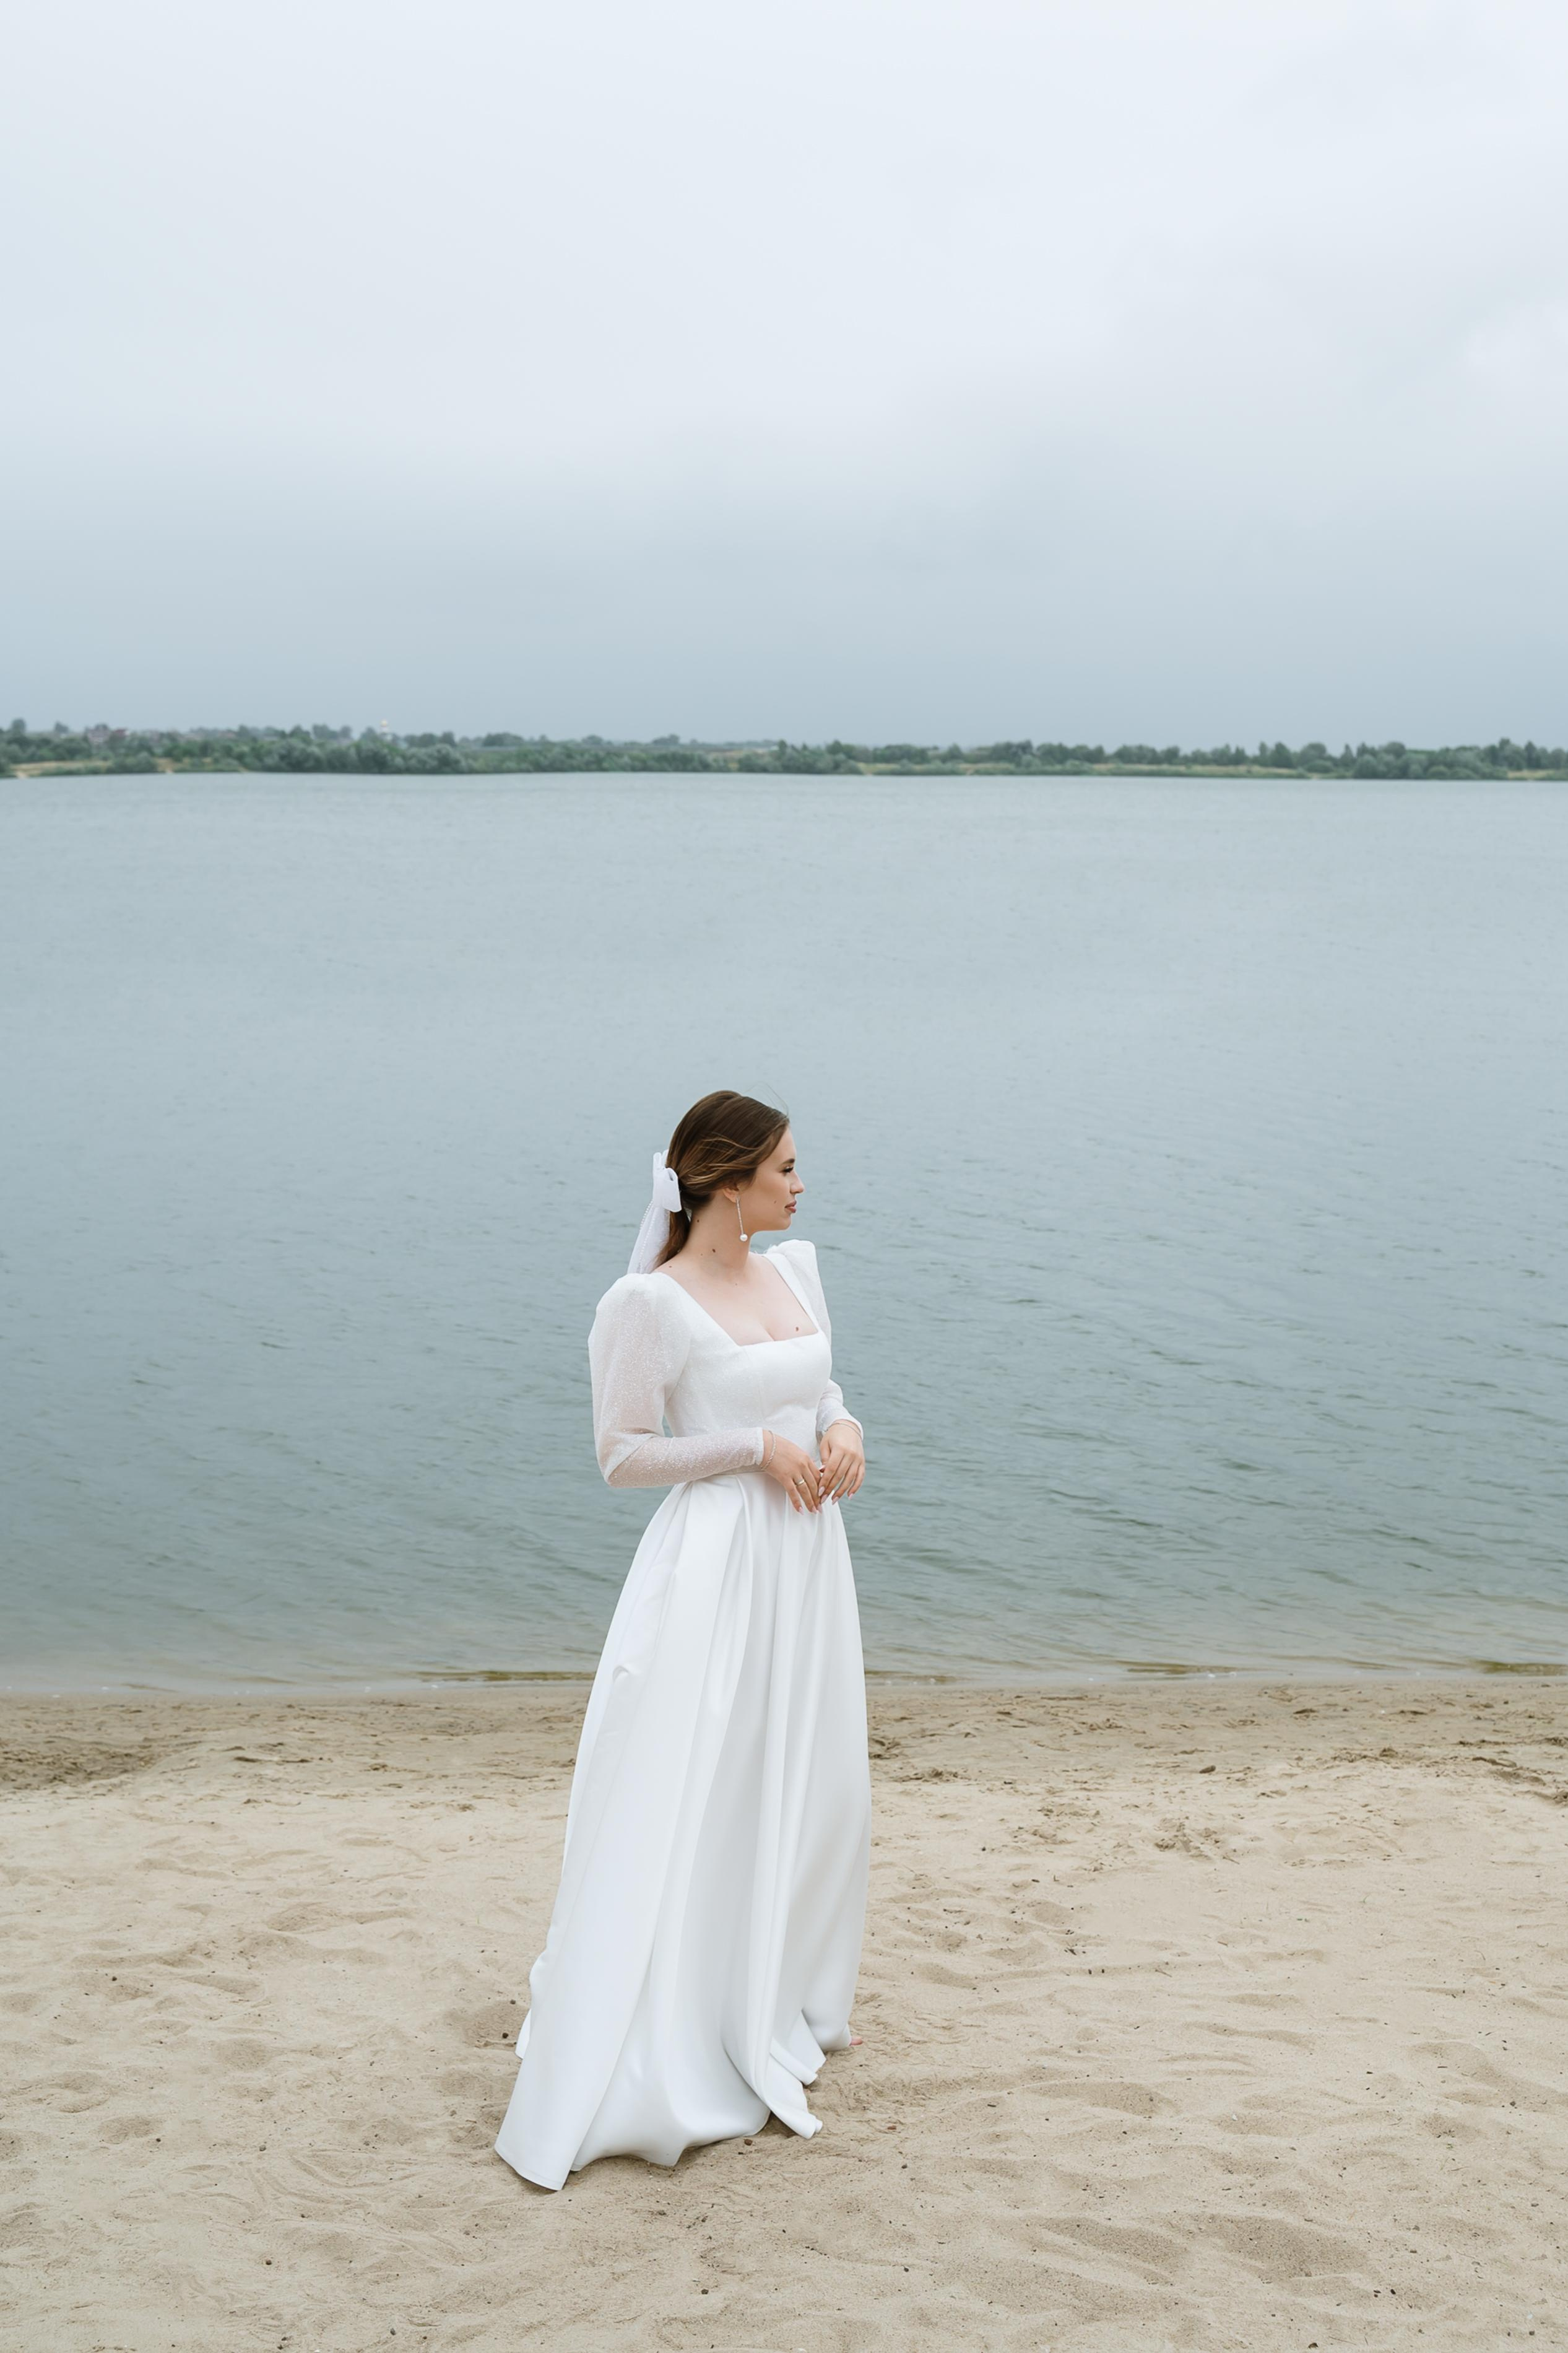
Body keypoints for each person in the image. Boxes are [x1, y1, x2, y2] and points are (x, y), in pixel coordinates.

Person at [494, 1090, 870, 2190]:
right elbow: (620, 1454)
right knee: (699, 1784)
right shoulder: (644, 1304)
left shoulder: (793, 1270)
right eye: (786, 1167)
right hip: (718, 1566)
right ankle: (680, 2021)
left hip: (807, 1562)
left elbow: (823, 1383)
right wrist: (750, 1447)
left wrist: (843, 1429)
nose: (801, 1184)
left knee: (809, 1781)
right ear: (725, 1178)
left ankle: (771, 1992)